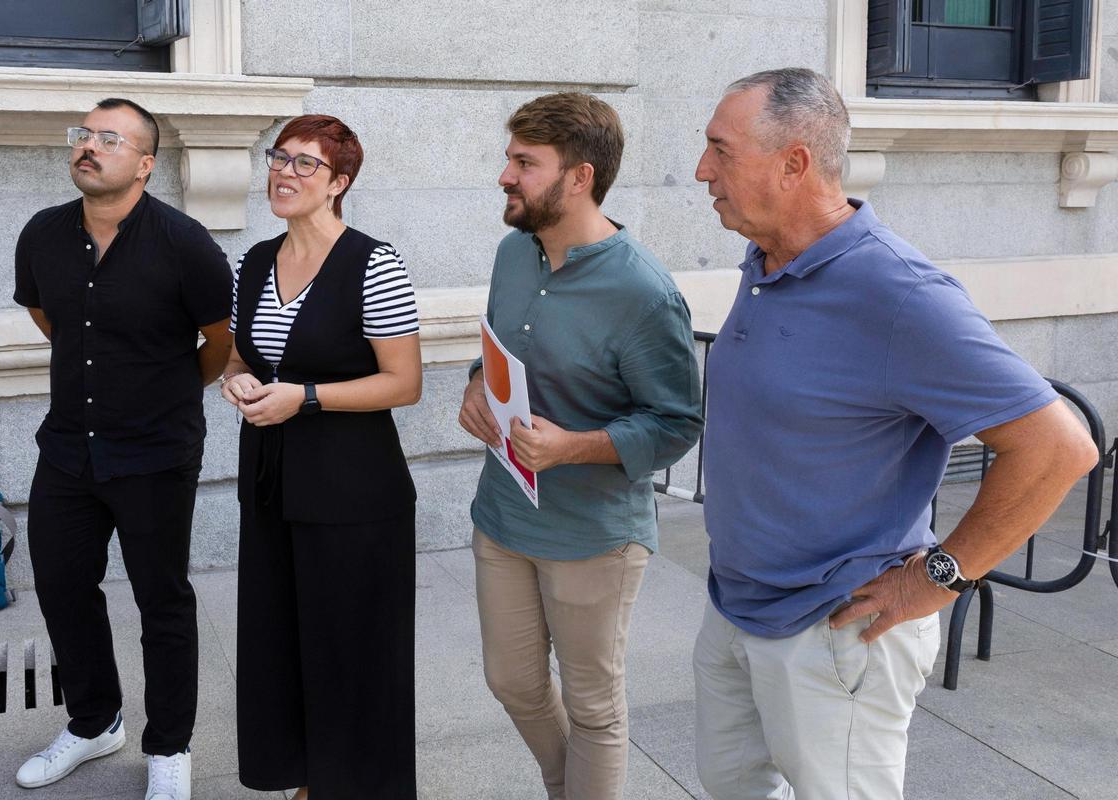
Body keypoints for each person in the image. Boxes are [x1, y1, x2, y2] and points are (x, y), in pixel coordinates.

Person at [692, 67, 1098, 800]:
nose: (701, 171)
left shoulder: (900, 294)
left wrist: (941, 576)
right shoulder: (767, 259)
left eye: (720, 150)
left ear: (794, 164)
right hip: (737, 608)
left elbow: (1059, 448)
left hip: (836, 630)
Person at [457, 92, 704, 800]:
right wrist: (477, 383)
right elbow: (501, 346)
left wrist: (573, 447)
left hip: (595, 537)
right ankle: (568, 787)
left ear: (579, 177)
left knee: (595, 705)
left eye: (525, 163)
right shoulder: (513, 253)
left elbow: (677, 422)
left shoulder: (643, 292)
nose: (506, 176)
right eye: (509, 158)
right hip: (503, 516)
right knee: (512, 681)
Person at [13, 98, 234, 800]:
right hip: (67, 452)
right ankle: (93, 722)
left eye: (110, 138)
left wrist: (161, 392)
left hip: (156, 452)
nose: (90, 146)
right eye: (85, 133)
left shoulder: (184, 242)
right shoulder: (43, 234)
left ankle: (168, 746)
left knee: (160, 600)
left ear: (144, 164)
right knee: (61, 588)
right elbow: (50, 318)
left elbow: (220, 343)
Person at [219, 114, 422, 800]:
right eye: (279, 156)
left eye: (306, 164)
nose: (283, 171)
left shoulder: (374, 263)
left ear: (338, 184)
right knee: (282, 644)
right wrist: (237, 380)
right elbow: (243, 357)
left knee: (350, 652)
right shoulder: (252, 262)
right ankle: (305, 781)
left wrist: (304, 398)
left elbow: (404, 382)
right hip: (273, 485)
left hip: (353, 493)